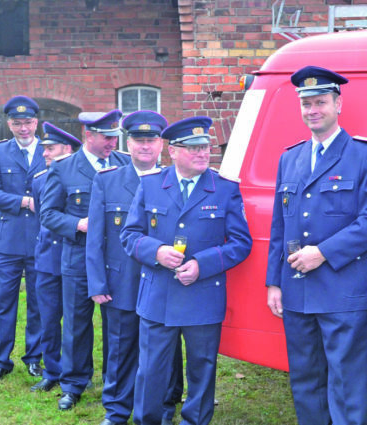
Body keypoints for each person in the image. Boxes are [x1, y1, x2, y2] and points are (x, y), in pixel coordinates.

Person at [265, 66, 367, 425]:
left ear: (338, 104)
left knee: (345, 382)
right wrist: (274, 281)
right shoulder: (289, 158)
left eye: (320, 101)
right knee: (305, 380)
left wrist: (322, 253)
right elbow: (280, 224)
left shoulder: (365, 154)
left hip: (343, 290)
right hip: (297, 289)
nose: (312, 110)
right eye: (306, 104)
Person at [120, 116, 252, 425]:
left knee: (201, 370)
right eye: (192, 148)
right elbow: (129, 235)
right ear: (173, 151)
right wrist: (156, 251)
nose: (202, 153)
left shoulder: (224, 188)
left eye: (205, 147)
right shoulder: (152, 185)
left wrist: (202, 264)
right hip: (158, 296)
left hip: (202, 296)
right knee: (150, 370)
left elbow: (241, 243)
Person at [87, 111, 183, 425]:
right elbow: (96, 237)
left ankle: (165, 406)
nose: (145, 147)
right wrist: (97, 284)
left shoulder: (175, 180)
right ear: (129, 143)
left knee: (164, 352)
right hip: (120, 282)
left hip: (162, 280)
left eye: (151, 140)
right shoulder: (107, 180)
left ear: (162, 144)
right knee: (119, 347)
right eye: (138, 141)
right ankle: (116, 410)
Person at [40, 109, 131, 410]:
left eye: (115, 137)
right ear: (88, 136)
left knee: (116, 324)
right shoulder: (64, 169)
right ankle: (74, 383)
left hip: (116, 259)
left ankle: (115, 381)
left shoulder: (125, 165)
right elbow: (49, 213)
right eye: (106, 137)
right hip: (78, 257)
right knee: (77, 323)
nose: (112, 143)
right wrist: (78, 225)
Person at [0, 95, 45, 383]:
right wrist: (22, 201)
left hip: (42, 239)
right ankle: (0, 361)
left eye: (28, 122)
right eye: (17, 123)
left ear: (37, 122)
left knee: (38, 302)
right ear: (9, 123)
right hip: (7, 242)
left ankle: (34, 358)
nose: (23, 129)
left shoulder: (50, 151)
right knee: (4, 302)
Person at [30, 122, 81, 392]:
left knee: (75, 321)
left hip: (74, 254)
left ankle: (74, 373)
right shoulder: (39, 180)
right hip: (48, 258)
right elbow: (44, 218)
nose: (45, 154)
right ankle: (52, 370)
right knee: (49, 318)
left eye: (50, 149)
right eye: (44, 149)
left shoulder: (85, 177)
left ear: (68, 149)